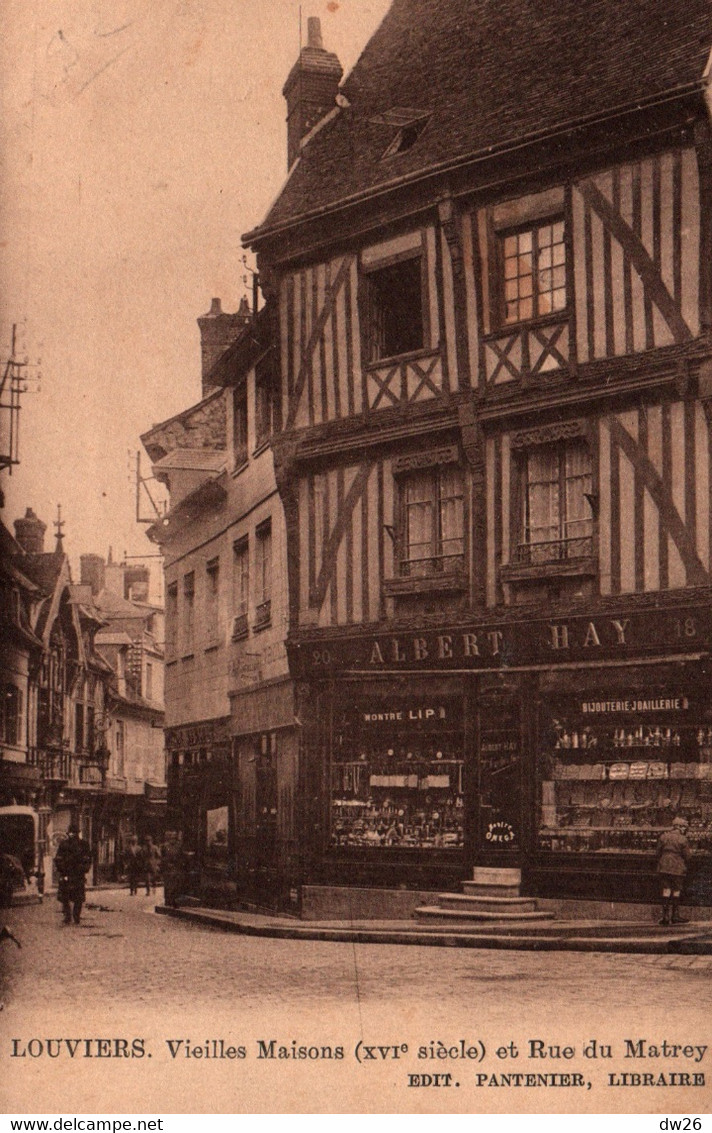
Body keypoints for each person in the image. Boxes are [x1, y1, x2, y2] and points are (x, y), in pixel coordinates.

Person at [656, 815, 691, 925]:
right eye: (684, 827)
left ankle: (665, 917)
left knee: (666, 890)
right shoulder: (683, 839)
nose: (685, 829)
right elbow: (688, 856)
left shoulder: (663, 836)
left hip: (664, 866)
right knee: (676, 890)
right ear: (680, 827)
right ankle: (675, 916)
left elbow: (657, 853)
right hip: (677, 867)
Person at [54, 825, 92, 925]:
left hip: (77, 874)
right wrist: (62, 868)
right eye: (70, 833)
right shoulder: (64, 844)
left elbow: (87, 859)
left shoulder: (84, 844)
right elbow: (58, 858)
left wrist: (83, 868)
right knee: (65, 897)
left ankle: (76, 916)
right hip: (67, 873)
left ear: (77, 833)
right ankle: (68, 916)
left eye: (73, 833)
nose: (72, 835)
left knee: (78, 898)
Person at [161, 831, 186, 908]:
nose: (173, 839)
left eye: (174, 837)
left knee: (176, 884)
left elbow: (182, 856)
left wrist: (180, 863)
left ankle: (174, 900)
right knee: (168, 885)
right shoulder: (165, 846)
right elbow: (162, 857)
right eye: (171, 837)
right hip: (168, 868)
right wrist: (166, 864)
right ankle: (168, 900)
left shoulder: (179, 846)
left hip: (176, 867)